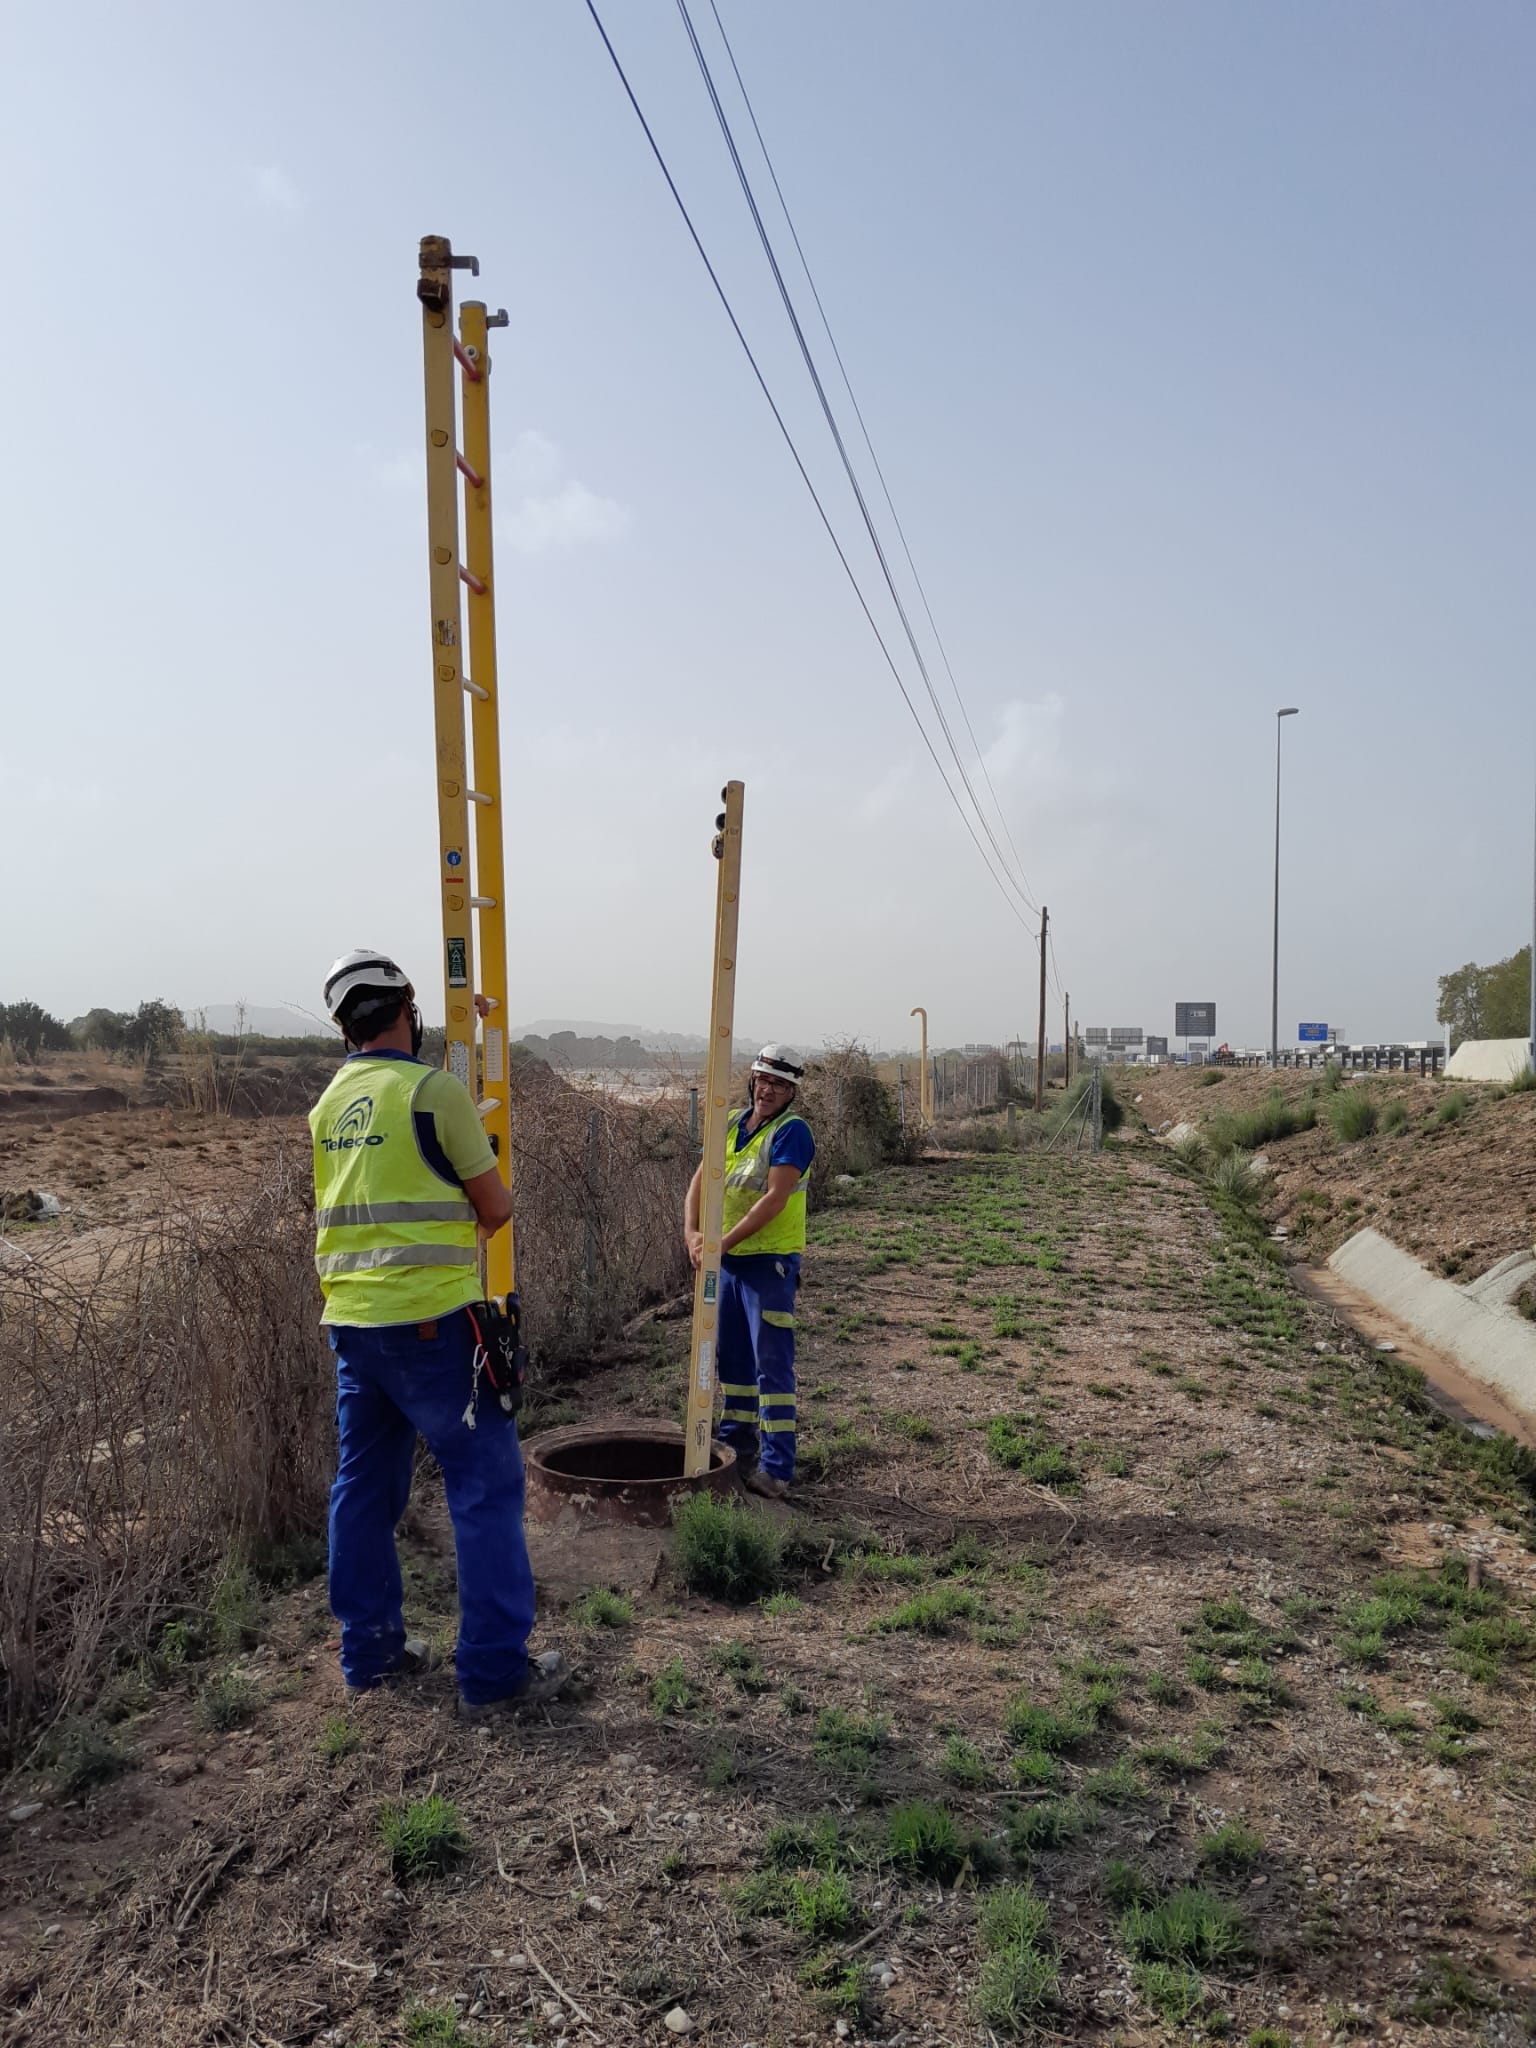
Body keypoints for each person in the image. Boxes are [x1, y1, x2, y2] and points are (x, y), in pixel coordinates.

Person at [309, 949, 566, 1717]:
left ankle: (372, 1655)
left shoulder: (327, 1106)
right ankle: (491, 1675)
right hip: (433, 1331)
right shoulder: (433, 1093)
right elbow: (495, 1208)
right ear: (403, 1011)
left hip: (353, 1330)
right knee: (486, 1489)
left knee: (363, 1491)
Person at [683, 1044, 815, 1502]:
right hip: (729, 1265)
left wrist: (720, 1244)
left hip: (767, 1267)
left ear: (791, 1091)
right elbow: (701, 1179)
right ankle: (736, 1448)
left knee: (770, 1367)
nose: (769, 1090)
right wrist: (692, 1233)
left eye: (780, 1084)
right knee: (733, 1363)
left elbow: (774, 1199)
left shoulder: (792, 1132)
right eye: (764, 1079)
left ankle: (777, 1468)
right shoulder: (735, 1122)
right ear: (753, 1080)